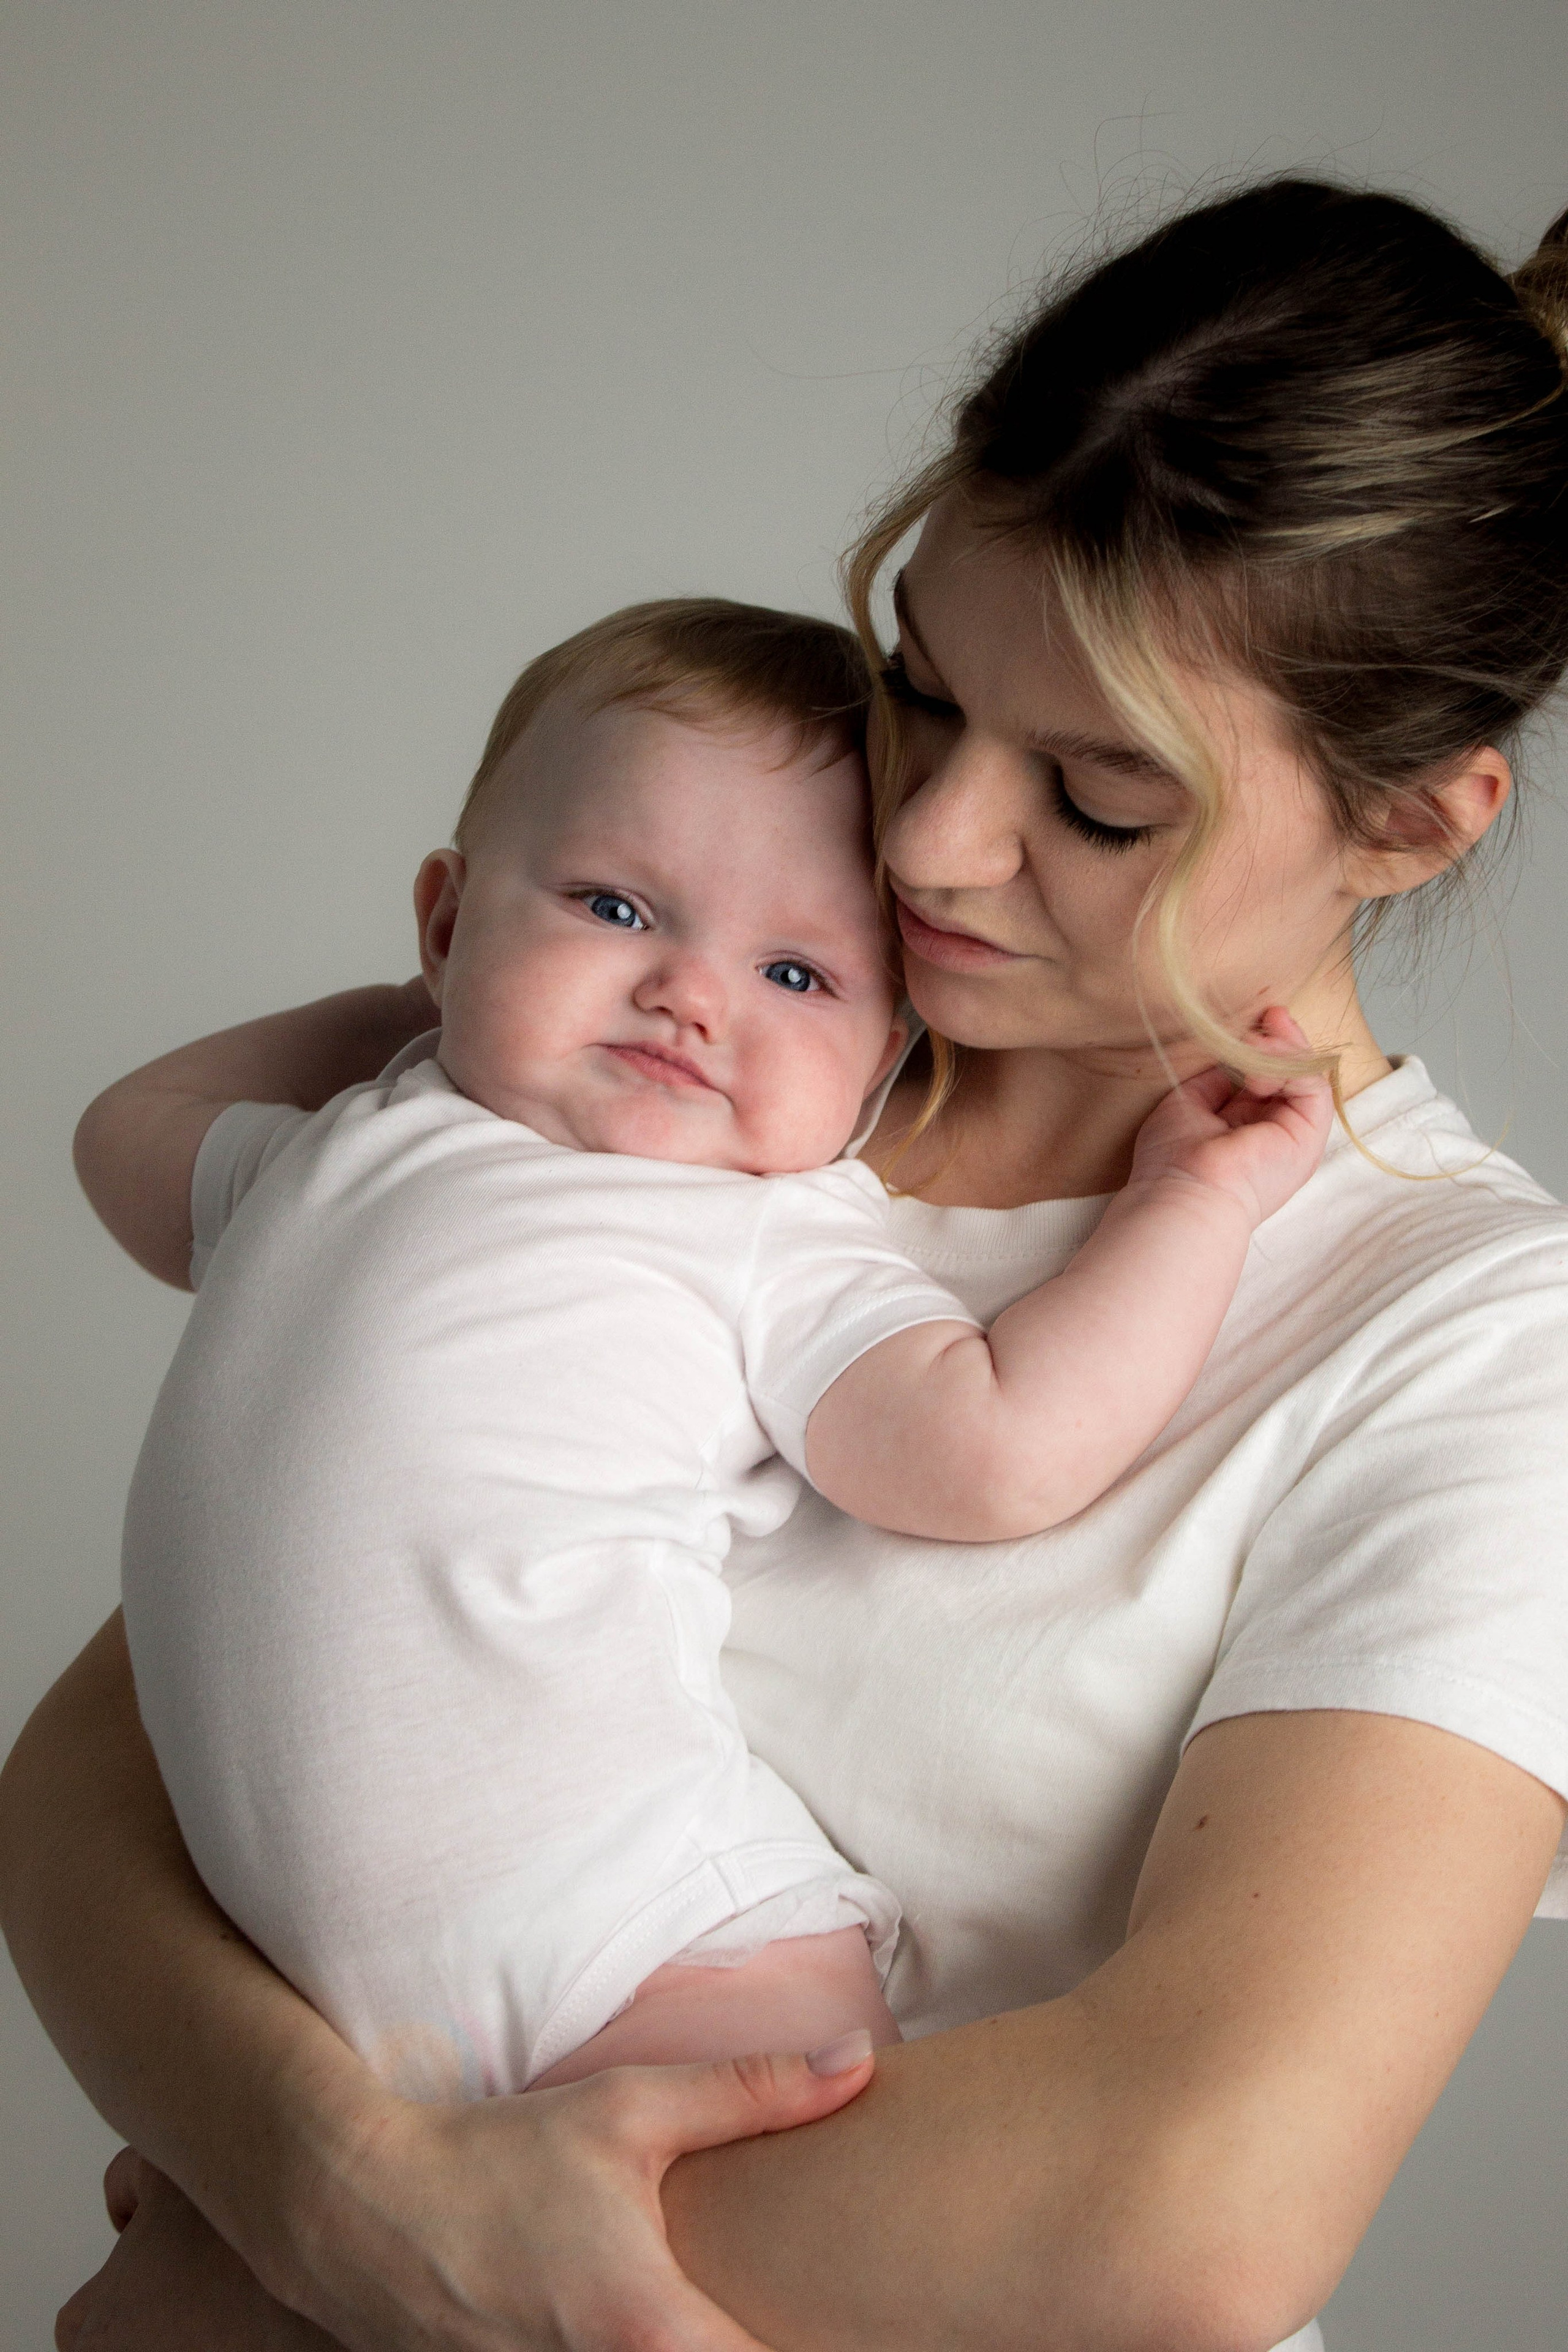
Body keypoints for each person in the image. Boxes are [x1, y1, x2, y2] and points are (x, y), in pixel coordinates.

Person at [5, 173, 1568, 2352]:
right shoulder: (701, 1081)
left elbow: (1192, 2201)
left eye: (1101, 802)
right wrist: (340, 2183)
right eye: (927, 690)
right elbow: (101, 1769)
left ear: (1410, 823)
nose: (927, 844)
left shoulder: (1477, 1348)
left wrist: (332, 2290)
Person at [85, 592, 1327, 2108]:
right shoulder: (353, 1150)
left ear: (881, 1060)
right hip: (353, 2019)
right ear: (443, 915)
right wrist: (431, 1006)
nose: (688, 996)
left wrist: (1190, 1201)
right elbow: (120, 1140)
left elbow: (992, 1453)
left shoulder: (763, 1230)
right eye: (614, 908)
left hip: (662, 1942)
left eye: (795, 976)